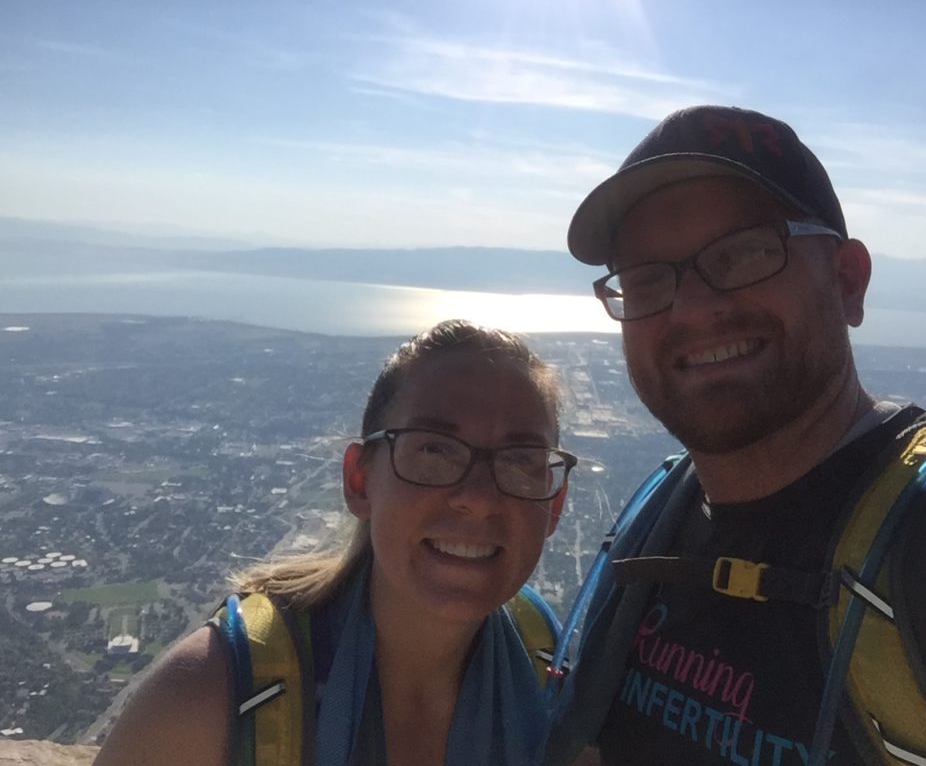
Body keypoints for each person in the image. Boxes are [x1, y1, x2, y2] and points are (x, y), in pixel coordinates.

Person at [543, 105, 926, 766]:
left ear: (847, 281)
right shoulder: (651, 527)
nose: (695, 309)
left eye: (744, 253)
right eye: (648, 279)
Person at [95, 319, 577, 766]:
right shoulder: (207, 700)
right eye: (433, 450)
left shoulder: (548, 667)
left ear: (553, 505)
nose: (478, 498)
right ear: (359, 481)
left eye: (520, 461)